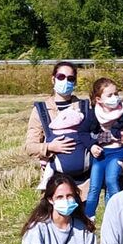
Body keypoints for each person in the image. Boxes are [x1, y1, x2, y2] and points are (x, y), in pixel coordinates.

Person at [25, 61, 94, 191]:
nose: (65, 81)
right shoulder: (41, 110)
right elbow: (30, 147)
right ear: (53, 79)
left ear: (75, 82)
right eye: (61, 77)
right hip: (55, 184)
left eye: (71, 78)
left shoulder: (85, 107)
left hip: (84, 183)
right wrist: (50, 147)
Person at [84, 77, 123, 219]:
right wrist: (91, 146)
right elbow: (82, 132)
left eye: (116, 94)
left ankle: (116, 214)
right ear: (98, 99)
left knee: (112, 180)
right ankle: (88, 216)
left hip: (118, 152)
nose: (115, 98)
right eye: (110, 95)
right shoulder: (94, 114)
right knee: (94, 187)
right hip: (100, 155)